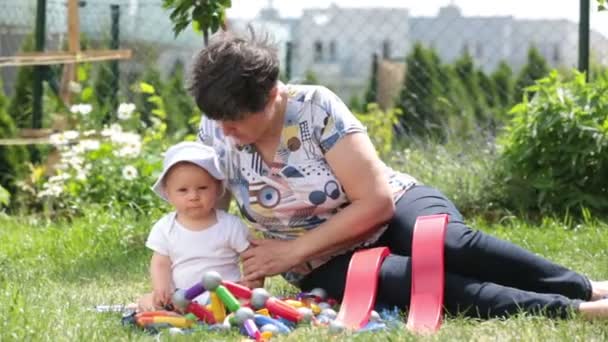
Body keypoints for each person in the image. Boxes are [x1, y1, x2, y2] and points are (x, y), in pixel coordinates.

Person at [188, 30, 608, 319]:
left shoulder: (315, 108)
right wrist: (192, 279)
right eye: (216, 119)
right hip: (323, 259)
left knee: (447, 243)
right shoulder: (217, 127)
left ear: (272, 95)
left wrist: (291, 252)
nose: (225, 131)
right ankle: (575, 311)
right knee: (411, 283)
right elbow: (209, 217)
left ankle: (584, 288)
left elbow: (376, 202)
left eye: (236, 119)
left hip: (391, 207)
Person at [137, 141, 259, 311]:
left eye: (202, 188)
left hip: (226, 297)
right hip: (182, 299)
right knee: (147, 301)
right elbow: (160, 263)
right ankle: (170, 310)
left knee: (248, 302)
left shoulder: (230, 225)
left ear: (217, 189)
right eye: (183, 190)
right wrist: (161, 287)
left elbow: (251, 256)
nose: (193, 196)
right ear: (168, 193)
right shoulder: (165, 228)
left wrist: (251, 282)